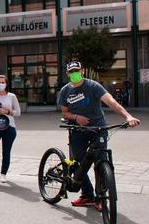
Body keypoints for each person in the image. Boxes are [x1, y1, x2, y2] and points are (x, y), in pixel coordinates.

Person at [58, 60, 140, 210]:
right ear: (68, 74)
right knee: (78, 165)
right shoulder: (65, 91)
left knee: (100, 163)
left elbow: (111, 102)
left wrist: (127, 116)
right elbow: (65, 112)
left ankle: (101, 198)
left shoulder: (92, 86)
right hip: (78, 130)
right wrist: (77, 118)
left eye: (77, 71)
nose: (74, 74)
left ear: (82, 71)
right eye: (71, 72)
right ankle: (88, 195)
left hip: (98, 129)